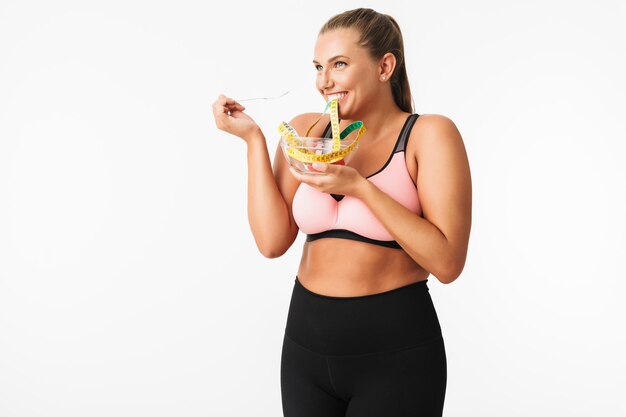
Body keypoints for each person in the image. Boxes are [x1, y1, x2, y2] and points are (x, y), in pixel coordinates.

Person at [212, 7, 471, 417]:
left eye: (339, 64)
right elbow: (271, 241)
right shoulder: (310, 132)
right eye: (318, 67)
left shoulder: (428, 135)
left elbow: (448, 262)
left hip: (395, 355)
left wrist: (360, 189)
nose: (323, 81)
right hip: (304, 350)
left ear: (385, 66)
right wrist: (254, 142)